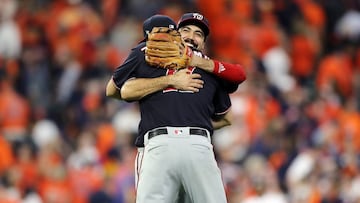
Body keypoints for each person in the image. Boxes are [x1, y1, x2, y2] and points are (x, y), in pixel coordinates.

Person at [106, 13, 246, 203]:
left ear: (203, 43)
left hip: (197, 145)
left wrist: (197, 125)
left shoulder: (209, 70)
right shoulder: (149, 53)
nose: (191, 36)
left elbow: (233, 98)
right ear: (175, 34)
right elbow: (121, 91)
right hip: (159, 143)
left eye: (198, 34)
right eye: (186, 30)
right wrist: (171, 80)